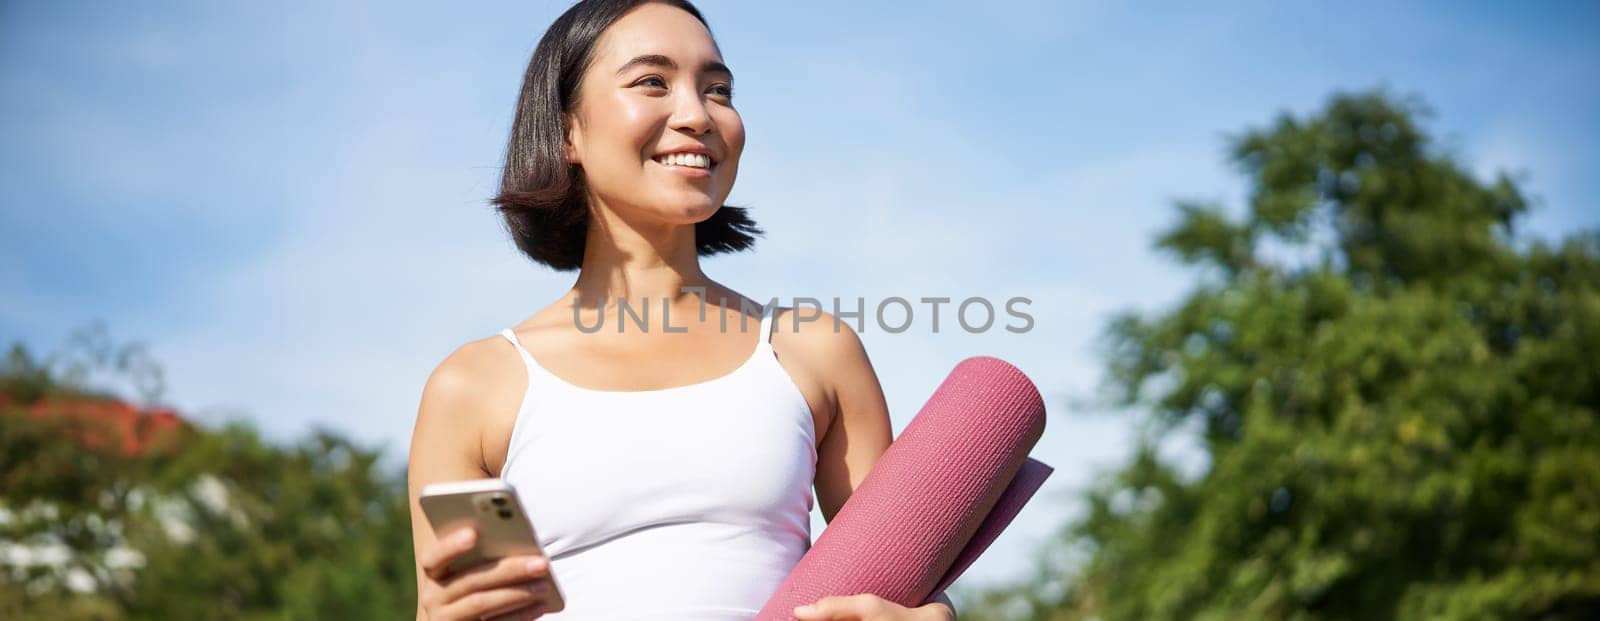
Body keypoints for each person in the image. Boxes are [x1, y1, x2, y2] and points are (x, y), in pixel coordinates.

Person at [407, 1, 957, 619]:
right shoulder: (475, 386)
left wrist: (928, 616)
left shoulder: (811, 350)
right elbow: (456, 606)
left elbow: (896, 581)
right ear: (567, 133)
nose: (698, 114)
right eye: (652, 82)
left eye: (718, 90)